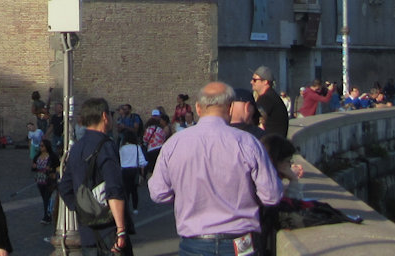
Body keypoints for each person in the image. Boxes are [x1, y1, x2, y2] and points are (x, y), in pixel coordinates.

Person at [148, 81, 283, 256]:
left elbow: (158, 193)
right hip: (240, 242)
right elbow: (272, 195)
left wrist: (184, 192)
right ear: (230, 108)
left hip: (195, 242)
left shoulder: (174, 144)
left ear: (198, 108)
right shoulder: (247, 143)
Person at [56, 97, 132, 254]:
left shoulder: (77, 147)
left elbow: (64, 186)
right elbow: (114, 189)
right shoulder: (106, 145)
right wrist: (121, 229)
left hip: (87, 232)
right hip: (109, 231)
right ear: (105, 116)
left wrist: (82, 208)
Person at [250, 68, 289, 139]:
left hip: (271, 144)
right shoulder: (272, 96)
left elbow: (253, 118)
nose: (251, 82)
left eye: (255, 80)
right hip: (277, 141)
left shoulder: (266, 98)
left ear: (265, 82)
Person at [32, 135, 59, 224]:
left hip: (49, 180)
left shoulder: (52, 156)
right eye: (40, 146)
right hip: (40, 179)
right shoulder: (37, 156)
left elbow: (57, 166)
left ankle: (46, 216)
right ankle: (48, 213)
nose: (41, 147)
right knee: (44, 198)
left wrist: (52, 170)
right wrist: (34, 167)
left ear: (47, 146)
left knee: (47, 197)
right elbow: (33, 167)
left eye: (42, 146)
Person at [117, 131, 146, 214]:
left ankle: (125, 208)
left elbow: (119, 160)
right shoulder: (137, 147)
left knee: (126, 190)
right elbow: (142, 161)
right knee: (134, 190)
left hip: (124, 171)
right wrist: (142, 174)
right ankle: (135, 208)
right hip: (134, 170)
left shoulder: (122, 148)